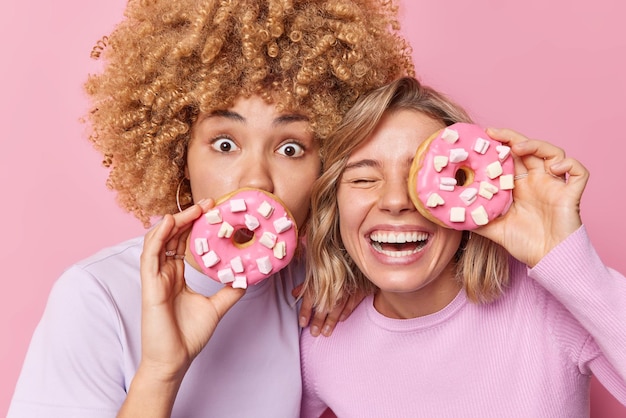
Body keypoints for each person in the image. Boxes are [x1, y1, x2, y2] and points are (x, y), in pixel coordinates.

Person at [8, 1, 414, 417]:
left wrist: (354, 278)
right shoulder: (97, 295)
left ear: (327, 167)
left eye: (290, 148)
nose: (255, 179)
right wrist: (162, 371)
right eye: (225, 144)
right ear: (179, 155)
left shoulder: (316, 293)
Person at [299, 77, 626, 417]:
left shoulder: (547, 306)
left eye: (421, 177)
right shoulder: (323, 344)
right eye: (363, 179)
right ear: (333, 206)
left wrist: (561, 254)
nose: (395, 201)